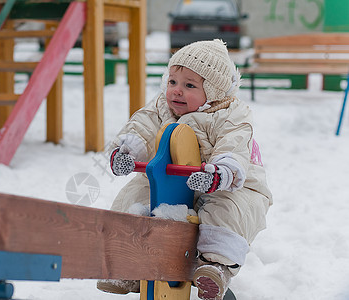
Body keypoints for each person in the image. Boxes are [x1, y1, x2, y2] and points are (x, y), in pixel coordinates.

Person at [97, 39, 272, 300]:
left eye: (189, 85)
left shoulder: (231, 114)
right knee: (133, 197)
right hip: (170, 175)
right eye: (172, 82)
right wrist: (126, 152)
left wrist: (221, 172)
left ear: (213, 92)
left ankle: (215, 267)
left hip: (227, 182)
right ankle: (130, 261)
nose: (176, 91)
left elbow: (233, 144)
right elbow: (141, 127)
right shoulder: (161, 107)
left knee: (228, 210)